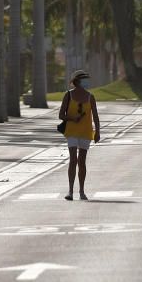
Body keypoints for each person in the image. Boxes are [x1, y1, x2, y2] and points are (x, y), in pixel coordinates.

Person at [59, 69, 101, 201]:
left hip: (86, 132)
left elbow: (95, 116)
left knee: (82, 161)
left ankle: (82, 191)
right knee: (73, 160)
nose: (86, 82)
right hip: (71, 131)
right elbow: (61, 115)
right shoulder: (68, 95)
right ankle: (70, 191)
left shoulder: (90, 97)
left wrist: (98, 131)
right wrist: (72, 119)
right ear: (76, 81)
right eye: (83, 79)